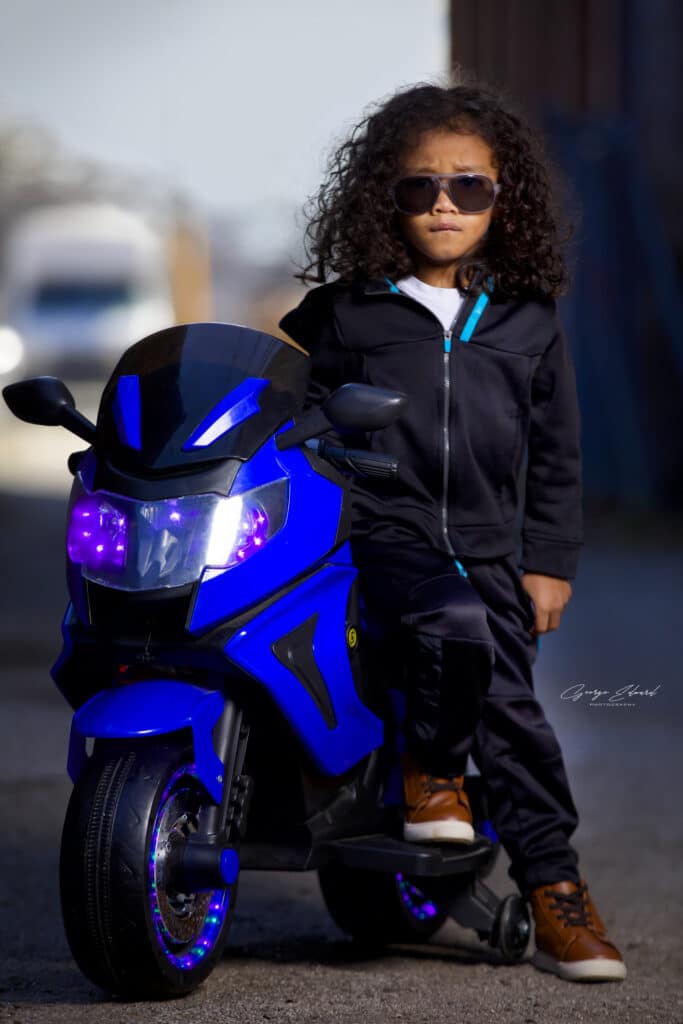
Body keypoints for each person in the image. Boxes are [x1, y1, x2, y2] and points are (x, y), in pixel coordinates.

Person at [278, 81, 626, 983]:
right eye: (418, 187)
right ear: (381, 198)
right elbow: (287, 420)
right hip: (378, 542)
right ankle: (431, 773)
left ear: (502, 199)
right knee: (450, 624)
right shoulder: (342, 314)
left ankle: (554, 891)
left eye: (467, 186)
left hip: (488, 551)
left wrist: (547, 564)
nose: (442, 203)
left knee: (515, 720)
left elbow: (556, 455)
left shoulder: (525, 320)